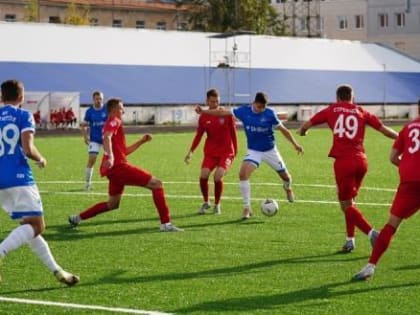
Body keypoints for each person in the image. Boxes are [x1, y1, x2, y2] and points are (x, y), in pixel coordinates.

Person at [298, 84, 398, 253]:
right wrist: (402, 137)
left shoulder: (331, 109)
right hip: (361, 161)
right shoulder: (361, 111)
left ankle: (372, 233)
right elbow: (383, 130)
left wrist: (302, 132)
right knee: (350, 203)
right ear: (352, 97)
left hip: (344, 163)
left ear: (337, 97)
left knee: (345, 205)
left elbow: (306, 125)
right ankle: (350, 240)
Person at [0, 79, 79, 286]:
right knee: (38, 225)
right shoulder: (24, 115)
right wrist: (41, 158)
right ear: (21, 97)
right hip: (18, 177)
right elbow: (27, 148)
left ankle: (58, 271)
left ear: (1, 96)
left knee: (29, 228)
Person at [68, 98, 183, 232]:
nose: (123, 110)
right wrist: (110, 156)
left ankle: (77, 218)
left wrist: (141, 141)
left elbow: (124, 151)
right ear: (114, 110)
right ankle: (165, 224)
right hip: (118, 168)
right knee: (157, 184)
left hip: (112, 170)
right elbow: (107, 137)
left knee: (112, 204)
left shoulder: (112, 123)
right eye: (121, 108)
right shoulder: (114, 121)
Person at [196, 92, 304, 219]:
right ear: (254, 103)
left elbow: (284, 130)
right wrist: (203, 111)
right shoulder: (243, 111)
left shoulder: (270, 114)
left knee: (286, 177)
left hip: (270, 151)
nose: (260, 110)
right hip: (254, 151)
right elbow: (221, 112)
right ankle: (247, 208)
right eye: (258, 107)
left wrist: (295, 145)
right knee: (243, 174)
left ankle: (288, 188)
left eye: (262, 108)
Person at [354, 102, 420, 280]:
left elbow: (393, 157)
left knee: (391, 225)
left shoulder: (407, 128)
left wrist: (407, 166)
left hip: (409, 184)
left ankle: (370, 266)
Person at [184, 89, 237, 215]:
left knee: (218, 176)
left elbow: (233, 133)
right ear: (207, 101)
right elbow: (199, 135)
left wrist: (235, 151)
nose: (215, 103)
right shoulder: (203, 117)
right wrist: (191, 151)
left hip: (226, 152)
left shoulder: (225, 114)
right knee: (203, 175)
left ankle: (217, 204)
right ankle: (206, 202)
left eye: (217, 101)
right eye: (212, 101)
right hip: (211, 152)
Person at [80, 90, 108, 191]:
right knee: (92, 160)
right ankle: (87, 184)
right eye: (97, 99)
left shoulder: (107, 109)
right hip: (94, 140)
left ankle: (113, 183)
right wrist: (85, 137)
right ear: (93, 99)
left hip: (106, 140)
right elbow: (83, 125)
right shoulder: (89, 111)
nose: (99, 100)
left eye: (100, 98)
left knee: (111, 160)